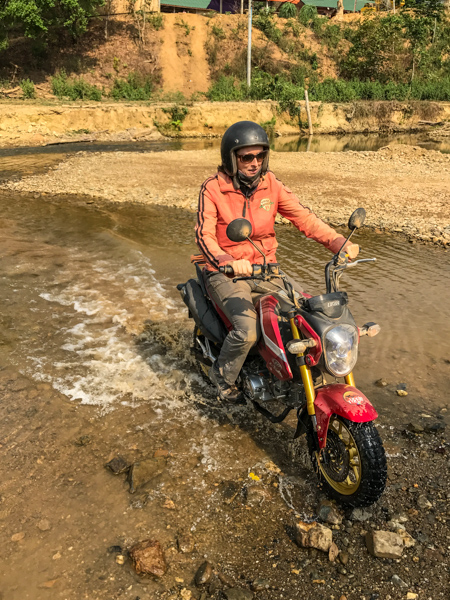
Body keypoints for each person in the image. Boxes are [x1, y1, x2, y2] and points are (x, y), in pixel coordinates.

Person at [195, 121, 359, 402]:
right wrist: (226, 260)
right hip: (226, 273)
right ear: (231, 158)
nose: (254, 163)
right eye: (247, 157)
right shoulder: (213, 189)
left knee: (307, 313)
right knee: (246, 331)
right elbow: (204, 234)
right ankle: (222, 378)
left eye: (260, 156)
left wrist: (339, 243)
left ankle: (294, 372)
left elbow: (304, 218)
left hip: (266, 269)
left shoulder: (271, 184)